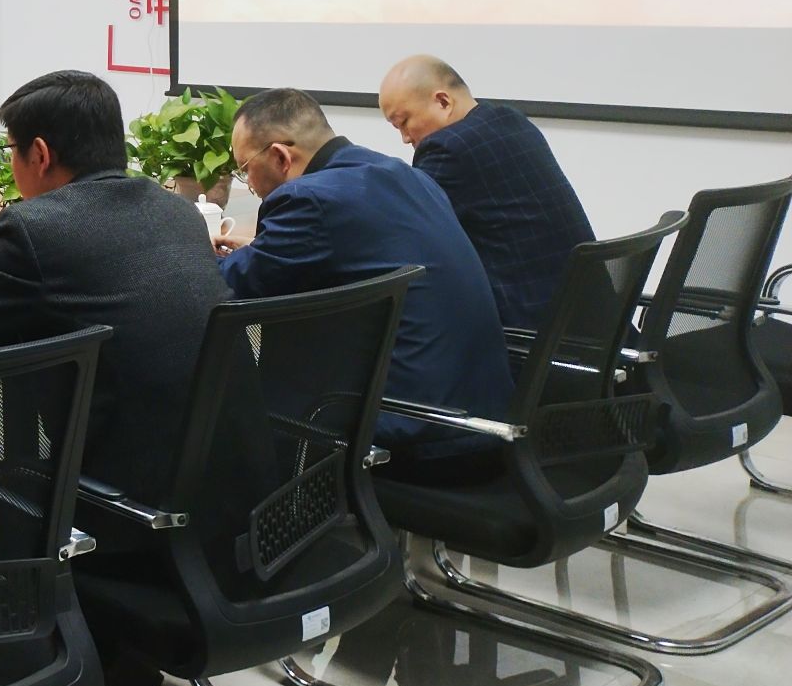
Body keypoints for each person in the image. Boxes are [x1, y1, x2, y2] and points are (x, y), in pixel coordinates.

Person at [0, 70, 274, 686]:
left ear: (38, 153)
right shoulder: (175, 211)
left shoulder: (37, 227)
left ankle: (32, 674)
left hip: (141, 520)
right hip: (244, 503)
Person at [218, 88, 515, 479]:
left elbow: (231, 287)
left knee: (229, 407)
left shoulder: (307, 199)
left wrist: (194, 250)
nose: (249, 183)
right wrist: (265, 250)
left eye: (245, 168)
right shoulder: (405, 175)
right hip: (484, 416)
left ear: (280, 157)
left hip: (420, 435)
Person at [378, 55, 595, 331]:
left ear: (443, 102)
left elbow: (404, 237)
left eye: (404, 121)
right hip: (588, 314)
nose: (405, 138)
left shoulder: (447, 148)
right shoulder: (511, 120)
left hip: (532, 327)